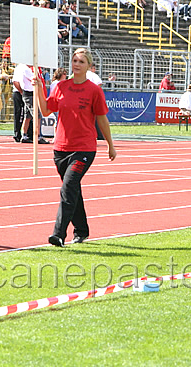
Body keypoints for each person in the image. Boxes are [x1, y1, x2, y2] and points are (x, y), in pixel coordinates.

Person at [34, 47, 116, 247]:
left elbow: (102, 119)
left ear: (88, 66)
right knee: (72, 190)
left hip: (84, 148)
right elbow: (45, 111)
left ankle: (58, 234)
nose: (76, 65)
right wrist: (38, 88)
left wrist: (110, 145)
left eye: (81, 62)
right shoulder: (61, 87)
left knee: (68, 187)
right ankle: (81, 230)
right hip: (61, 147)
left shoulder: (94, 90)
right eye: (74, 61)